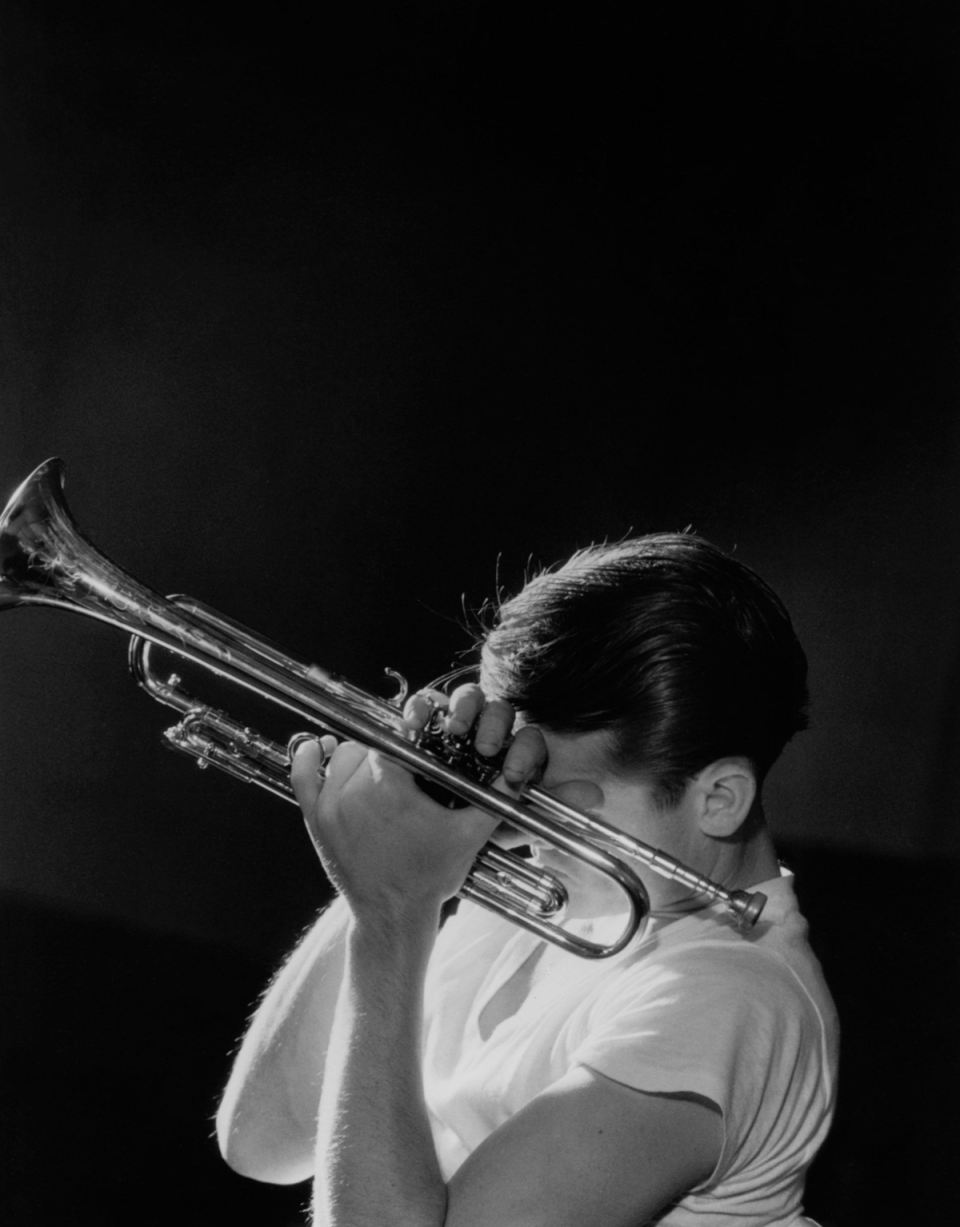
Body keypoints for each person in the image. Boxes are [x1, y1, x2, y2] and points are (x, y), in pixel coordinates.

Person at [215, 534, 839, 1227]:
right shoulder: (548, 897)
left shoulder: (731, 995)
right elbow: (264, 1139)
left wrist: (390, 910)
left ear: (719, 797)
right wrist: (389, 843)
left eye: (557, 798)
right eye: (519, 780)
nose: (523, 818)